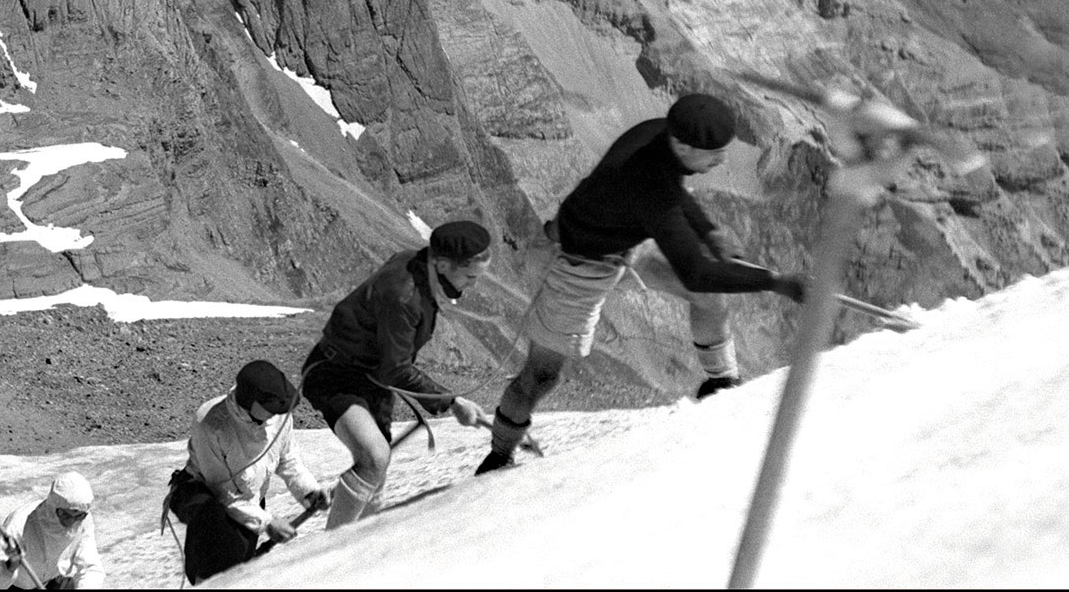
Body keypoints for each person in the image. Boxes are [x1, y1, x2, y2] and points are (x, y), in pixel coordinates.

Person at [475, 93, 807, 475]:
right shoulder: (646, 185)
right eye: (714, 153)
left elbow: (674, 187)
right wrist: (776, 281)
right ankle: (499, 456)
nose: (722, 161)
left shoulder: (658, 136)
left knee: (708, 298)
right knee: (542, 375)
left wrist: (708, 230)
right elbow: (693, 269)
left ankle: (720, 385)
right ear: (683, 144)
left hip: (619, 246)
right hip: (573, 265)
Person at [300, 220, 493, 529]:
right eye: (470, 276)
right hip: (336, 374)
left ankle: (354, 549)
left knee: (376, 472)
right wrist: (452, 401)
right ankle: (332, 549)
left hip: (368, 377)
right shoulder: (403, 298)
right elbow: (395, 369)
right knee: (374, 459)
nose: (473, 285)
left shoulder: (417, 263)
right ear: (442, 264)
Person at [167, 360, 332, 584]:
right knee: (218, 559)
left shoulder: (279, 416)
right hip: (206, 498)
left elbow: (288, 460)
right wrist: (267, 523)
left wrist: (309, 492)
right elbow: (222, 492)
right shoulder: (212, 423)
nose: (277, 415)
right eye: (272, 409)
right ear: (250, 401)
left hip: (249, 499)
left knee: (241, 570)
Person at [0, 471, 105, 590]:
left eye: (78, 516)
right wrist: (9, 566)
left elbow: (90, 568)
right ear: (53, 507)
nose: (71, 522)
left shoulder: (83, 521)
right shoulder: (20, 521)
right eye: (65, 515)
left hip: (53, 582)